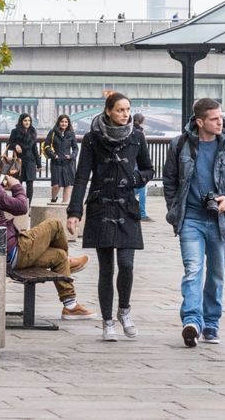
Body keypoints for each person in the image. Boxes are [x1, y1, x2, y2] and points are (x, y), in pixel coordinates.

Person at [0, 158, 94, 320]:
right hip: (14, 252)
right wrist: (16, 187)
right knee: (55, 225)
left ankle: (70, 306)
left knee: (59, 256)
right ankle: (69, 261)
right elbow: (22, 208)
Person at [163, 98, 225, 347]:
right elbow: (170, 181)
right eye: (214, 118)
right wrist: (174, 211)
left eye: (220, 117)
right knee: (193, 269)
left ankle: (212, 324)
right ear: (199, 121)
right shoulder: (179, 145)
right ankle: (192, 322)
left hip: (220, 221)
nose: (220, 122)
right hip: (190, 219)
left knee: (216, 275)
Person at [67, 92, 153, 341]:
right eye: (120, 110)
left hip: (126, 207)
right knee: (106, 269)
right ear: (108, 111)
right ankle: (107, 321)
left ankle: (124, 310)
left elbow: (148, 168)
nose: (125, 114)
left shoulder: (137, 137)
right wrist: (74, 212)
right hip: (101, 207)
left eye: (127, 110)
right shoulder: (93, 139)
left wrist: (135, 179)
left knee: (126, 264)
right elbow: (82, 176)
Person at [7, 112, 41, 204]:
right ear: (21, 121)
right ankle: (17, 203)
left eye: (29, 120)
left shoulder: (33, 132)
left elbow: (35, 149)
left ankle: (27, 206)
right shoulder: (15, 131)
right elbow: (9, 144)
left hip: (30, 161)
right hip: (19, 161)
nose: (27, 122)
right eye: (25, 120)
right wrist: (15, 145)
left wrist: (39, 164)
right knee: (18, 183)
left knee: (30, 184)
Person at [43, 114, 77, 204]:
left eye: (66, 122)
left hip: (68, 162)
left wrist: (72, 156)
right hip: (56, 162)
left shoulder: (71, 133)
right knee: (56, 185)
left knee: (67, 184)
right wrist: (53, 155)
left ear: (68, 123)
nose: (64, 123)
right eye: (62, 122)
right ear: (58, 122)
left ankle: (65, 204)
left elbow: (75, 148)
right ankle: (54, 199)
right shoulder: (53, 132)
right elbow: (46, 145)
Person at [133, 113, 153, 221]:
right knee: (142, 188)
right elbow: (143, 151)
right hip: (139, 163)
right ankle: (142, 213)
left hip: (133, 163)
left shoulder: (130, 131)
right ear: (142, 121)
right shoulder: (140, 133)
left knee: (137, 187)